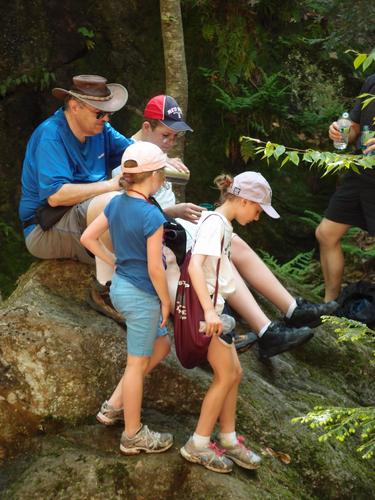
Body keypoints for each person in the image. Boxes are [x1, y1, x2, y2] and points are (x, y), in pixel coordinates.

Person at [89, 94, 337, 361]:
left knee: (230, 241)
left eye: (175, 137)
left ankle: (289, 310)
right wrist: (174, 213)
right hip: (157, 235)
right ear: (147, 127)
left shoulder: (159, 156)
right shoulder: (133, 158)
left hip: (172, 225)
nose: (171, 143)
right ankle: (257, 330)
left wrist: (183, 211)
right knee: (217, 245)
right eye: (166, 135)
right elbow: (133, 210)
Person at [180, 171, 283, 473]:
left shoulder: (221, 224)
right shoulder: (215, 225)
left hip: (214, 311)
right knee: (225, 376)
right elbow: (196, 267)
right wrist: (210, 313)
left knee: (234, 373)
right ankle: (197, 444)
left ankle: (227, 437)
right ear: (243, 200)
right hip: (206, 314)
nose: (258, 216)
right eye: (258, 209)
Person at [80, 142, 173, 455]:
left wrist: (113, 258)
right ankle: (133, 434)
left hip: (120, 288)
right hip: (142, 295)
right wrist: (165, 301)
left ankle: (114, 405)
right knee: (136, 365)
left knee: (161, 345)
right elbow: (155, 268)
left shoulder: (117, 203)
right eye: (162, 174)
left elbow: (87, 237)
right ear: (154, 177)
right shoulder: (150, 215)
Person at [19, 75, 133, 269]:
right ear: (75, 107)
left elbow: (133, 153)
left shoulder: (102, 130)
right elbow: (56, 196)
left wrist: (159, 157)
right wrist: (111, 185)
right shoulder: (51, 136)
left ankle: (117, 281)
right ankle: (113, 284)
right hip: (45, 226)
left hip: (84, 215)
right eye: (99, 113)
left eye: (108, 113)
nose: (105, 119)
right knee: (113, 202)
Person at [316, 74, 375, 302]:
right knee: (326, 233)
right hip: (361, 171)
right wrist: (341, 130)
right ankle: (330, 306)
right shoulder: (372, 81)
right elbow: (355, 128)